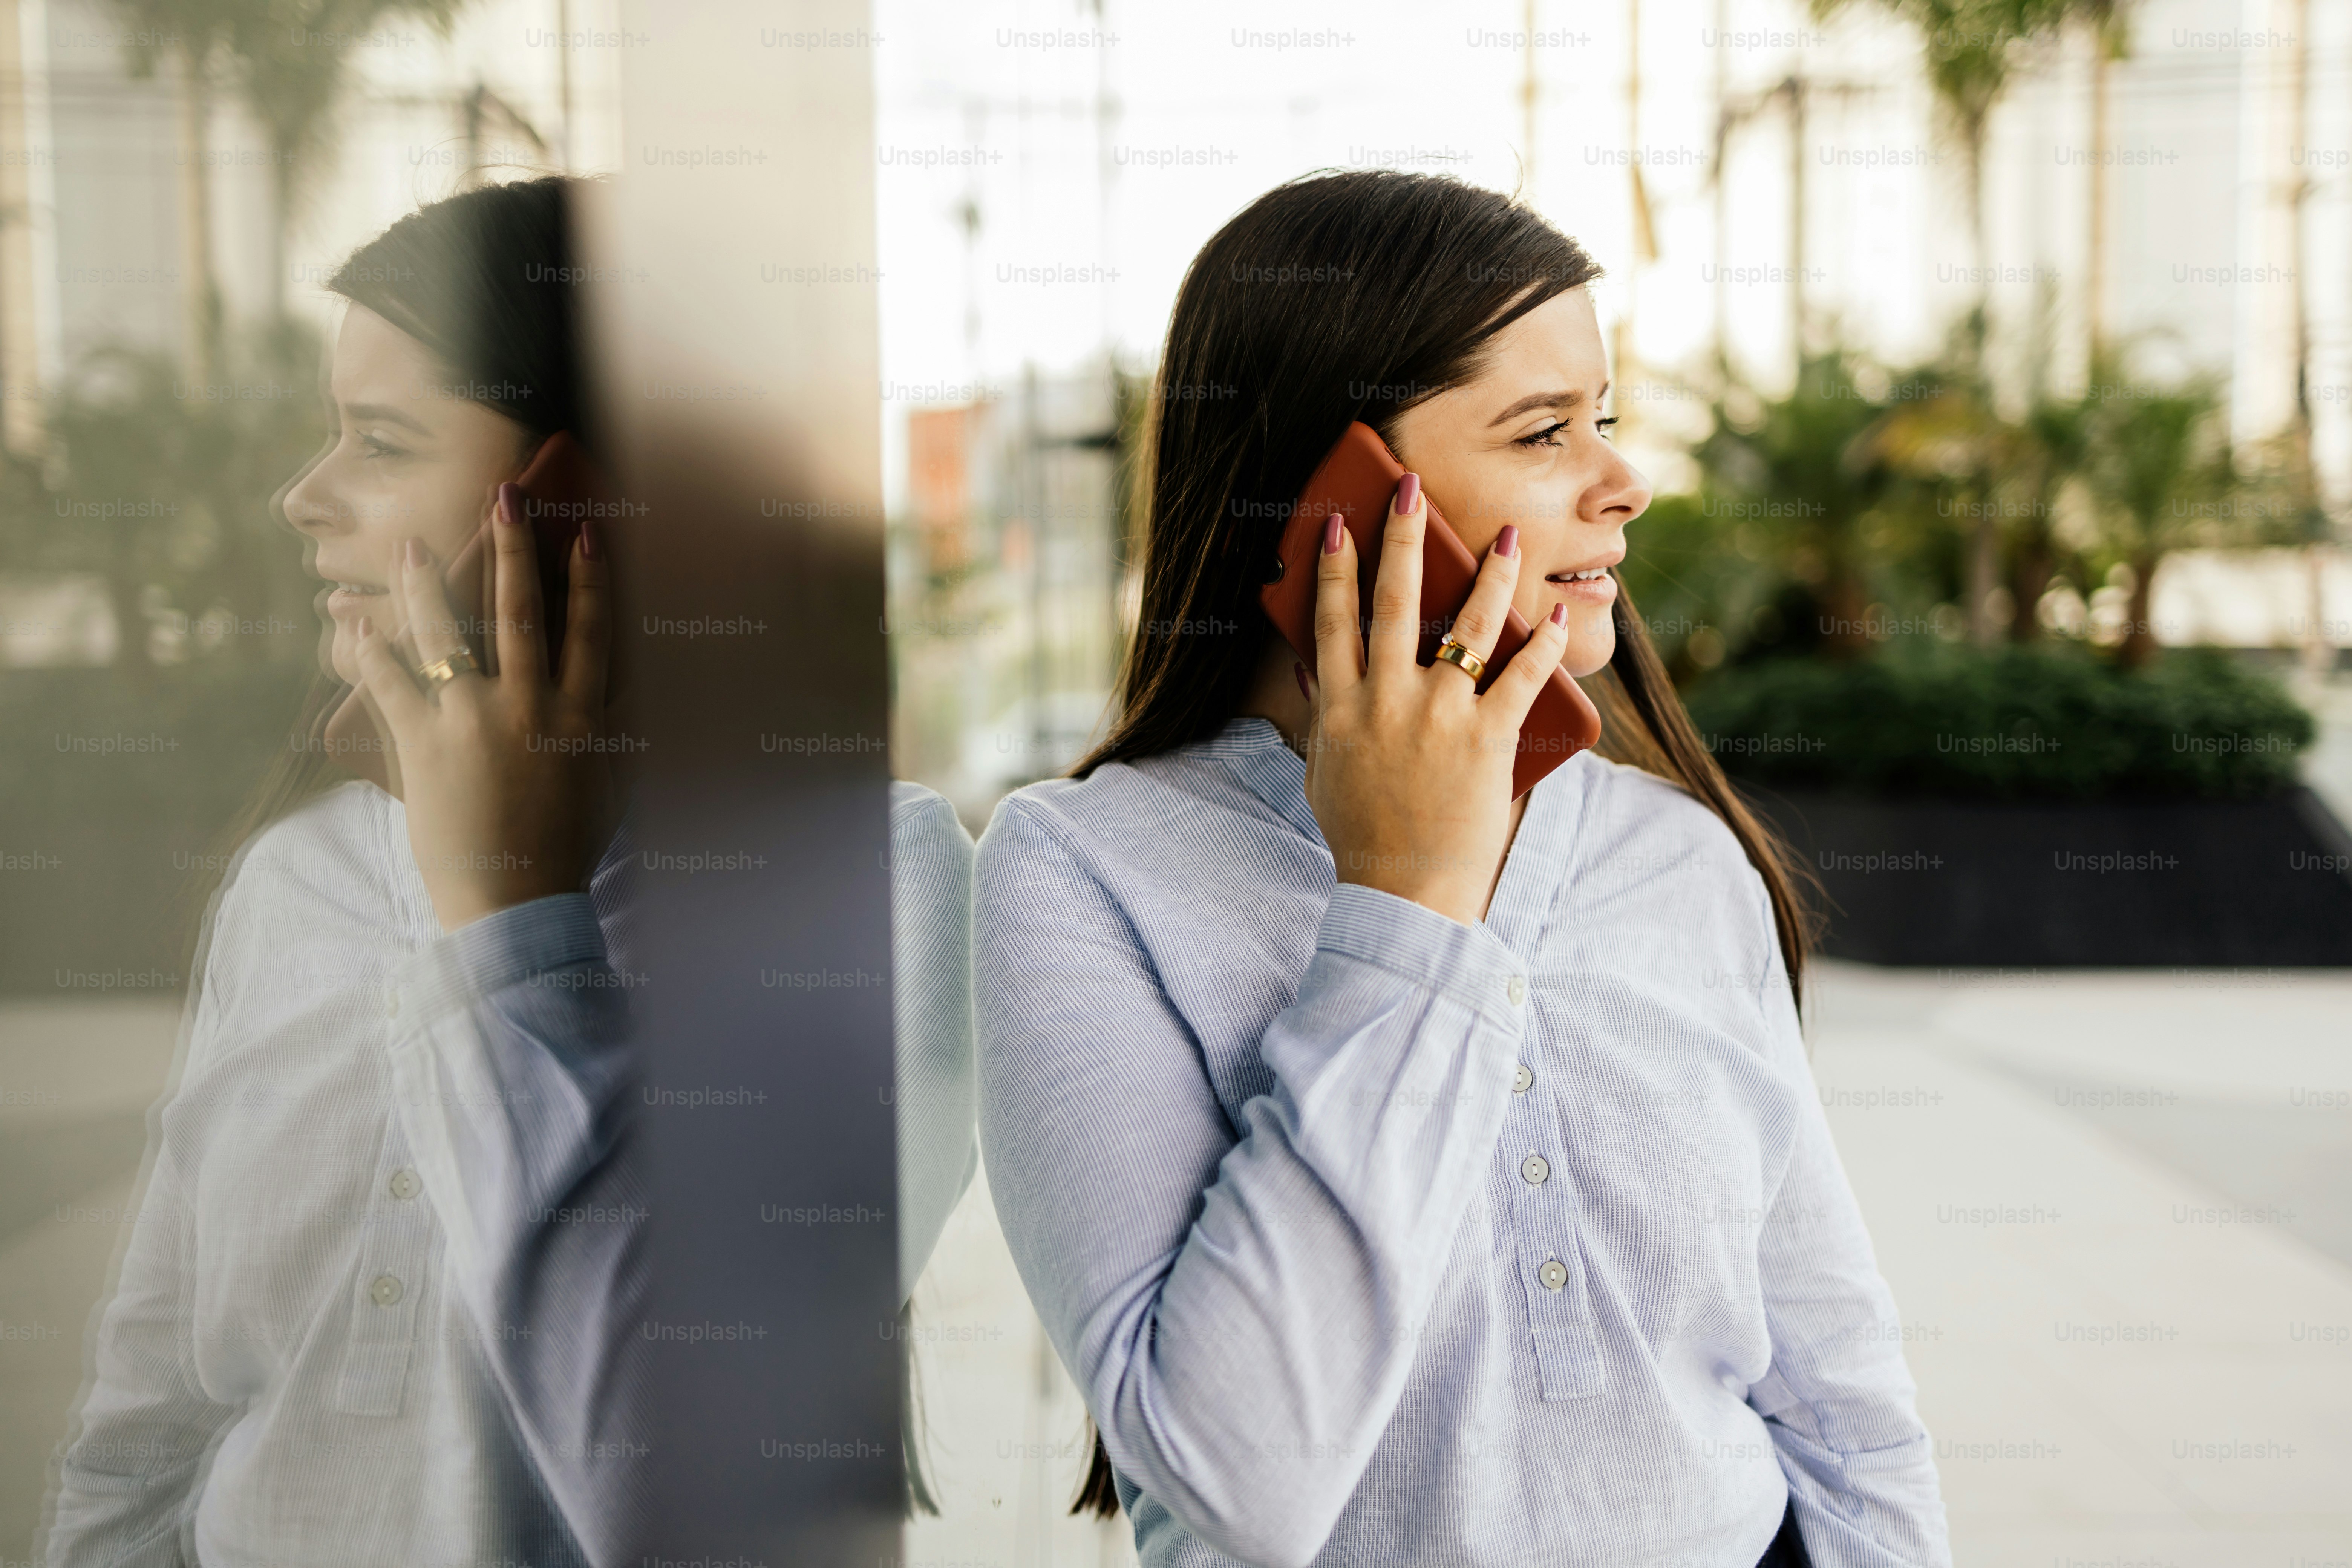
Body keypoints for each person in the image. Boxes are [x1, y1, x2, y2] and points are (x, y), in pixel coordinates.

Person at [973, 170, 1950, 1568]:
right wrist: (1405, 902)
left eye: (1601, 419)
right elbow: (1233, 1486)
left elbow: (1842, 1395)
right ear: (1335, 500)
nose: (1627, 482)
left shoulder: (1679, 858)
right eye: (1545, 433)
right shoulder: (1079, 879)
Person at [43, 176, 974, 1568]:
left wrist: (510, 910)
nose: (303, 499)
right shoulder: (294, 883)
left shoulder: (871, 891)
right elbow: (153, 1419)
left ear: (588, 503)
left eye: (381, 442)